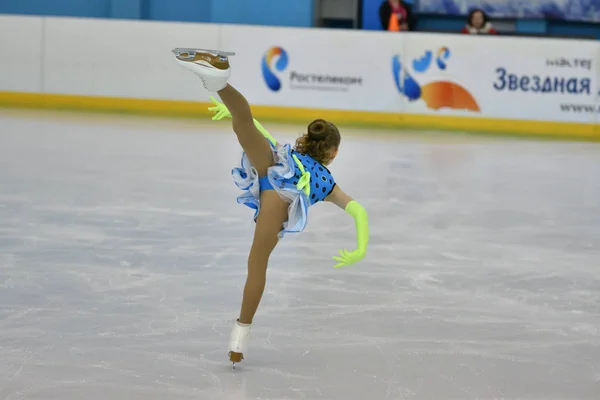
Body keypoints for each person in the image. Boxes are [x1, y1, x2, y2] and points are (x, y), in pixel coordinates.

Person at [171, 48, 370, 367]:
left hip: (271, 165)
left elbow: (259, 129)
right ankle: (239, 341)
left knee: (243, 122)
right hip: (281, 195)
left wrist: (232, 114)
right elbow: (359, 211)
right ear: (332, 152)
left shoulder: (295, 154)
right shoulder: (327, 182)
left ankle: (220, 81)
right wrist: (360, 248)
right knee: (257, 266)